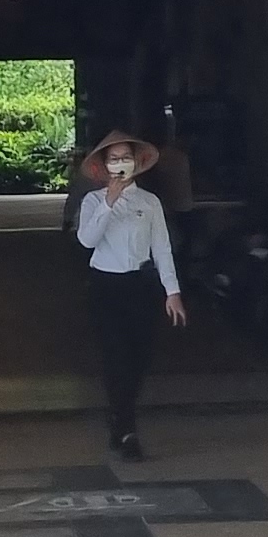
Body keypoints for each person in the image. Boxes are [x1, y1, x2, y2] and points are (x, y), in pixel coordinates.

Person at [73, 126, 183, 462]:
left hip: (141, 286)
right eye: (114, 158)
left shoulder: (149, 202)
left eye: (125, 157)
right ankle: (126, 428)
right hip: (106, 286)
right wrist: (109, 202)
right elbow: (86, 240)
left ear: (136, 162)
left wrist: (172, 291)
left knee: (139, 358)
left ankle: (119, 415)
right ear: (104, 165)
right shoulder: (93, 201)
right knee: (115, 356)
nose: (120, 163)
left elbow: (161, 247)